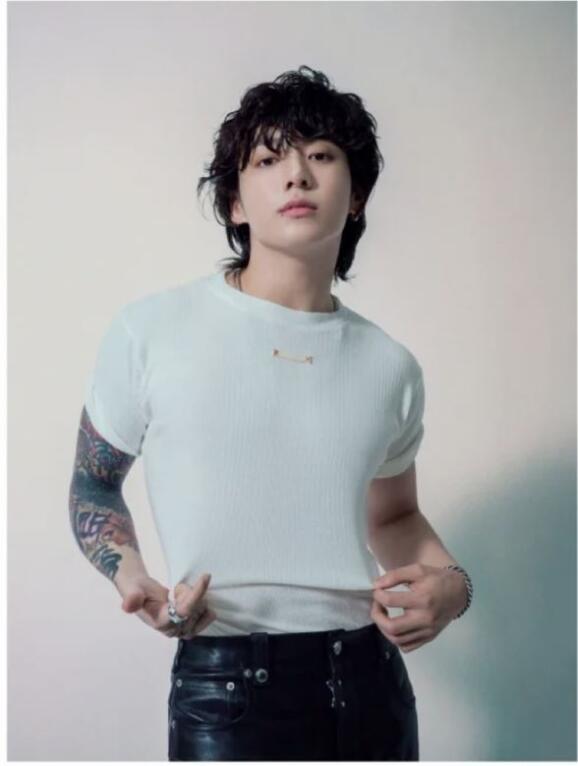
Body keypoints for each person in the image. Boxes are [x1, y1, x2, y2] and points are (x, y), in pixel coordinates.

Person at [69, 66, 473, 761]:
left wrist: (454, 589)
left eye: (321, 155)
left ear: (357, 196)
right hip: (224, 686)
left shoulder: (390, 365)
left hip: (370, 683)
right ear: (235, 203)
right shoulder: (152, 331)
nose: (297, 174)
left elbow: (394, 517)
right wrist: (130, 573)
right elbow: (94, 482)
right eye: (268, 159)